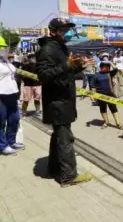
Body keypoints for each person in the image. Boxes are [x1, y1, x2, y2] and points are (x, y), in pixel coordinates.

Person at [36, 18, 92, 187]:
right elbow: (43, 76)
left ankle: (53, 168)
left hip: (64, 100)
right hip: (57, 102)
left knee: (58, 137)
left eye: (68, 30)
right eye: (63, 30)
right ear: (53, 31)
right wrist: (66, 66)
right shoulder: (47, 49)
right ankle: (68, 176)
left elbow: (64, 73)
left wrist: (79, 67)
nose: (67, 33)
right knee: (65, 138)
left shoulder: (60, 48)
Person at [0, 36, 23, 155]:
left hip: (11, 94)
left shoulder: (5, 60)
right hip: (1, 96)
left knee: (14, 119)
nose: (3, 49)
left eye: (4, 47)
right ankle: (3, 146)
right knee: (1, 122)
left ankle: (11, 141)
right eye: (1, 47)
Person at [92, 61, 123, 130]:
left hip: (110, 94)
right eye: (104, 66)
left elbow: (116, 69)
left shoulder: (110, 73)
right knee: (103, 109)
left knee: (113, 108)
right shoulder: (96, 75)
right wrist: (93, 95)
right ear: (101, 67)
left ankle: (118, 123)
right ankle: (106, 122)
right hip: (99, 95)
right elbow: (93, 86)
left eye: (107, 67)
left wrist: (110, 62)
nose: (105, 68)